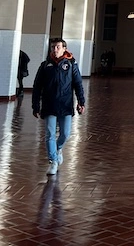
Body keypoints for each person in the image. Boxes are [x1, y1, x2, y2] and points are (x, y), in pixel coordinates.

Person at [32, 38, 86, 176]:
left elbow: (78, 84)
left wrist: (81, 101)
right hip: (49, 104)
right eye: (52, 47)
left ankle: (58, 148)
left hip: (65, 104)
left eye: (57, 47)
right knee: (50, 134)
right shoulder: (45, 66)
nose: (54, 50)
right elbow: (37, 86)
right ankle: (53, 161)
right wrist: (35, 105)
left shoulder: (71, 64)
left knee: (65, 134)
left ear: (64, 49)